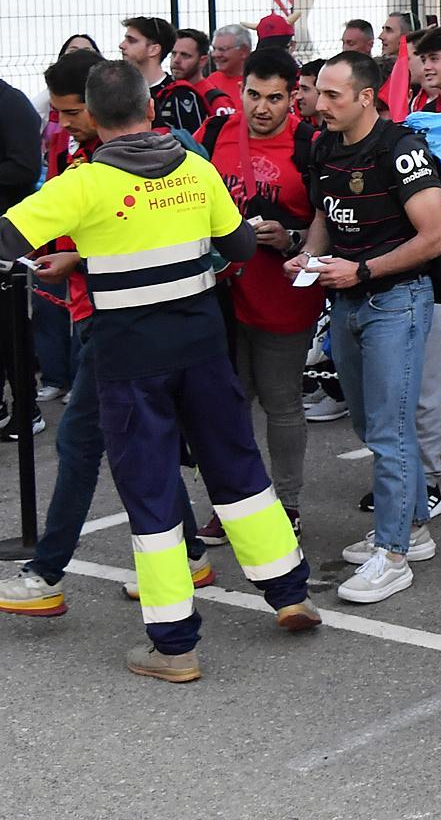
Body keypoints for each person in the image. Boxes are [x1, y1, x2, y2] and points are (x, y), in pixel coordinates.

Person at [0, 59, 317, 680]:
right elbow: (240, 247)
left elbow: (9, 238)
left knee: (149, 493)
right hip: (202, 347)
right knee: (239, 471)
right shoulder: (195, 167)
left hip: (129, 359)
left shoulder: (83, 183)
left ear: (93, 115)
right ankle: (290, 594)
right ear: (150, 107)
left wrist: (86, 252)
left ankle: (174, 646)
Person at [0, 50, 218, 622]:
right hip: (105, 318)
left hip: (132, 329)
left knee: (84, 446)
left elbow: (210, 238)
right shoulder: (89, 158)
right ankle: (193, 557)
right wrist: (77, 259)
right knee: (146, 445)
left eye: (73, 112)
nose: (64, 122)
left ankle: (48, 573)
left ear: (99, 108)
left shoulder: (168, 156)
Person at [289, 50, 441, 604]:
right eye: (319, 91)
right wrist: (310, 259)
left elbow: (437, 237)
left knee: (389, 431)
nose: (319, 102)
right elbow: (323, 215)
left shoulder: (401, 149)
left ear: (365, 97)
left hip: (395, 301)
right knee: (368, 423)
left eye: (332, 94)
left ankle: (393, 555)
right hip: (348, 300)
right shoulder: (324, 146)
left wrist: (362, 270)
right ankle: (412, 529)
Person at [193, 49, 325, 539]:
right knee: (226, 407)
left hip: (285, 297)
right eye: (253, 95)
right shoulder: (213, 134)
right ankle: (233, 503)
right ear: (240, 90)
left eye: (274, 98)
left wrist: (289, 238)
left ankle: (286, 505)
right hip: (221, 297)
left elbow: (328, 219)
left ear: (293, 97)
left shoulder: (310, 144)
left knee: (281, 403)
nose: (261, 108)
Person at [118, 16, 205, 134]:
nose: (122, 45)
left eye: (132, 41)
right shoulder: (122, 92)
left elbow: (193, 142)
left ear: (154, 50)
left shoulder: (179, 95)